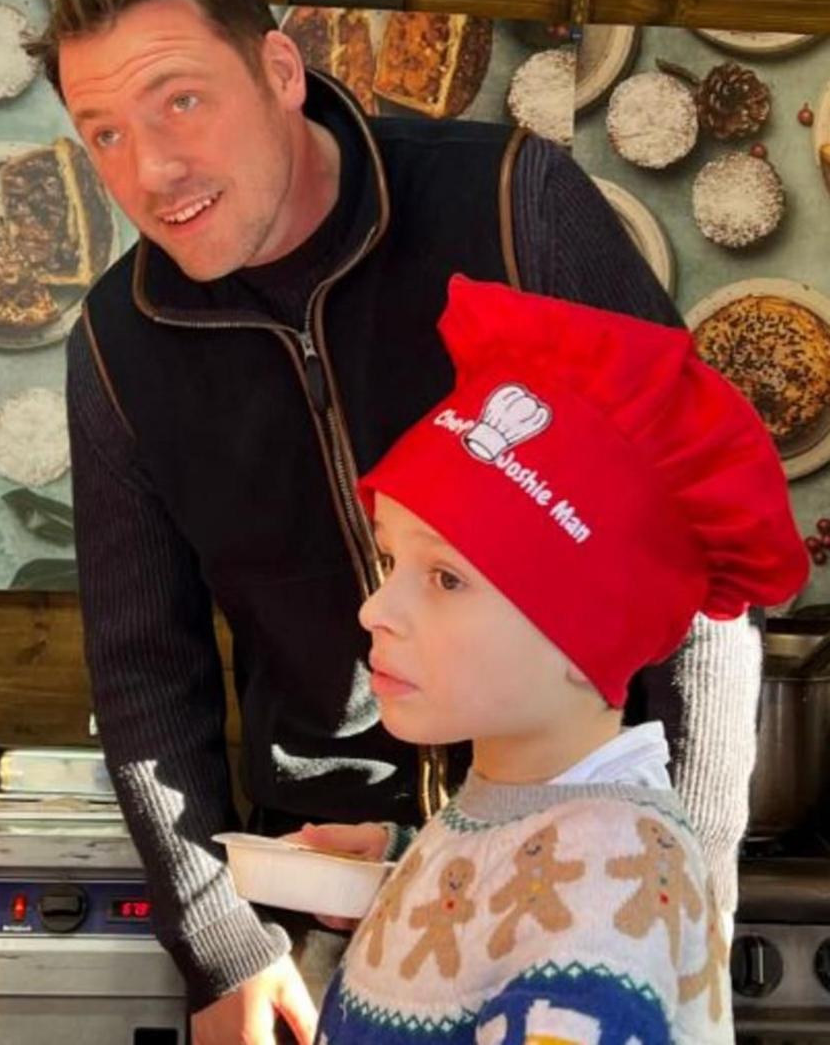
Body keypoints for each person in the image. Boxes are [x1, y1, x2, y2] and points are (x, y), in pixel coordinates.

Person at [26, 0, 763, 1040]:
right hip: (329, 894)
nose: (153, 168)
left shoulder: (515, 208)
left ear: (280, 69)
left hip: (587, 864)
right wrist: (221, 943)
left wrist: (685, 879)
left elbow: (691, 554)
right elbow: (143, 664)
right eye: (104, 133)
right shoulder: (116, 346)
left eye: (181, 99)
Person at [301, 277, 803, 1043]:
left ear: (586, 639)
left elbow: (564, 934)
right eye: (389, 560)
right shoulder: (528, 811)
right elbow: (515, 911)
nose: (375, 610)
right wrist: (400, 870)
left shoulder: (609, 891)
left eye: (444, 578)